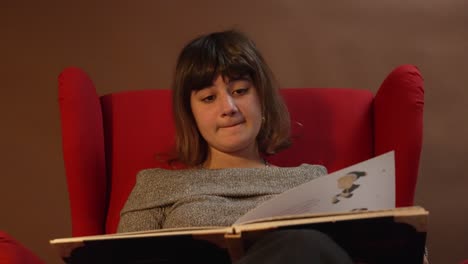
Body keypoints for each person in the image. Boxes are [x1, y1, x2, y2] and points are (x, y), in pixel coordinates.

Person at [117, 30, 353, 264]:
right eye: (209, 98)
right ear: (191, 114)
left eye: (240, 91)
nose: (228, 107)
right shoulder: (155, 187)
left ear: (262, 98)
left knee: (305, 244)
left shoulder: (312, 181)